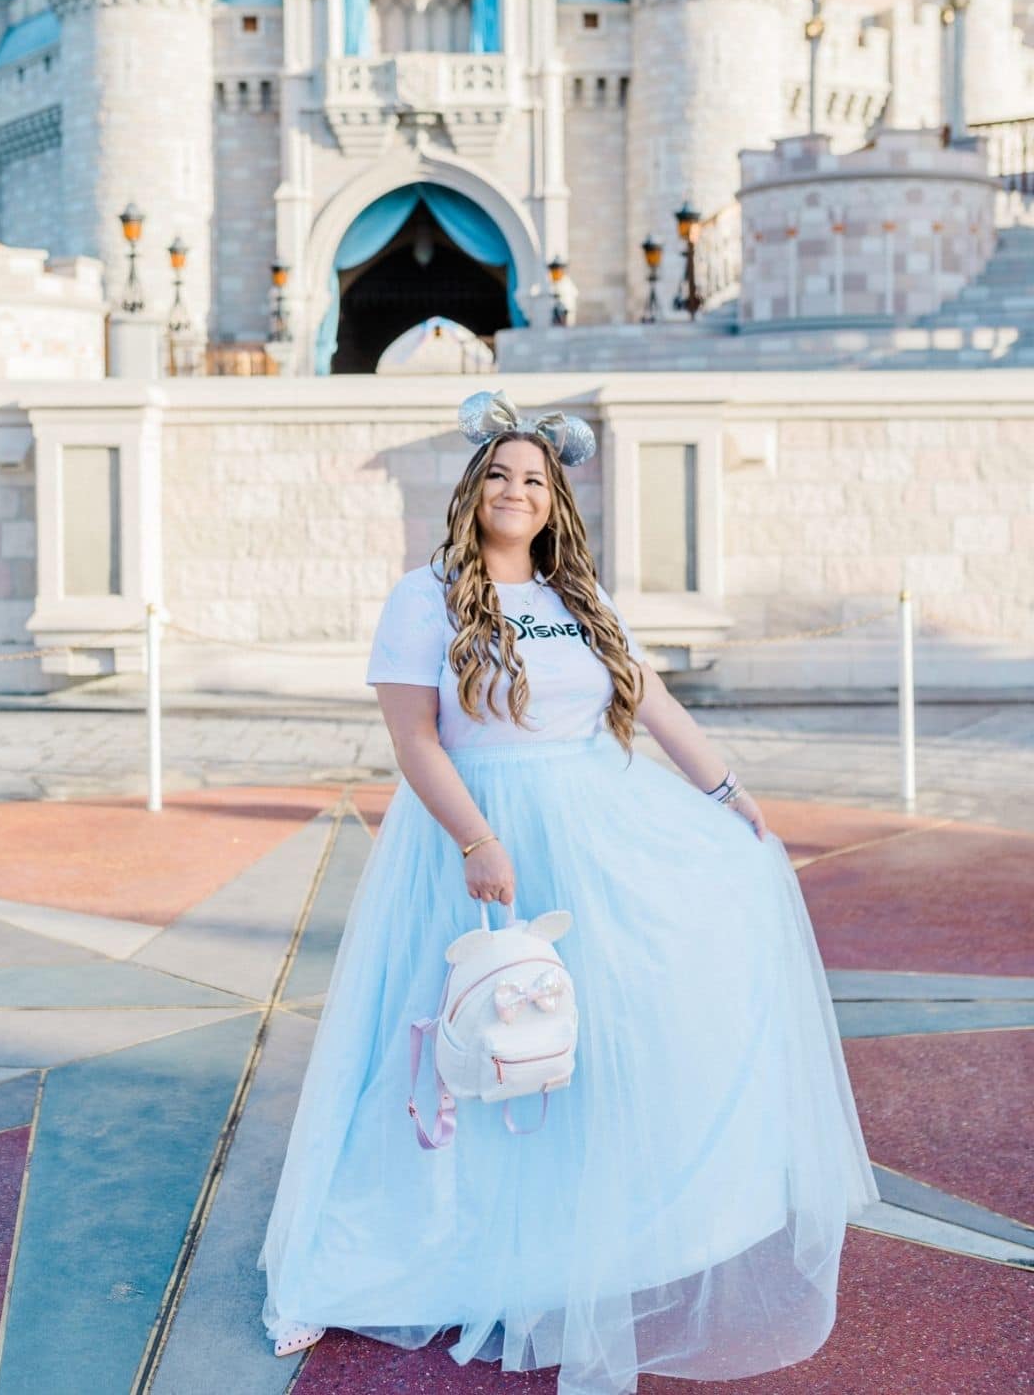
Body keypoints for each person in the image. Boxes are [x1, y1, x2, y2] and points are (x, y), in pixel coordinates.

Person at [258, 390, 879, 1394]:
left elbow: (657, 701)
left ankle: (564, 1246)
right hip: (481, 839)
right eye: (499, 474)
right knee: (460, 1048)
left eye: (533, 479)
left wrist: (726, 791)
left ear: (555, 502)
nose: (514, 490)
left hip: (602, 831)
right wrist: (478, 838)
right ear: (474, 489)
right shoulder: (425, 598)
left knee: (579, 1046)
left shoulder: (576, 599)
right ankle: (365, 1261)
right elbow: (414, 738)